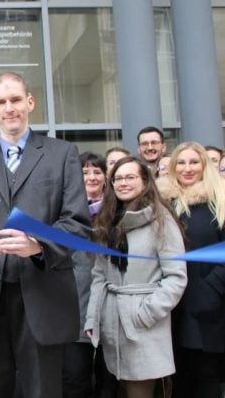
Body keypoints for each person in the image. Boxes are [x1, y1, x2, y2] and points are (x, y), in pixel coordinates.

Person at [0, 71, 91, 398]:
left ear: (30, 102)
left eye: (15, 100)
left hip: (43, 297)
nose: (9, 108)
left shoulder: (62, 155)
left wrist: (38, 246)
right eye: (1, 102)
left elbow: (77, 223)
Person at [84, 156, 187, 398]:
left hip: (143, 325)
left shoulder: (161, 220)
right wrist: (93, 317)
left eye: (130, 177)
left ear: (144, 181)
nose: (123, 183)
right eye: (118, 178)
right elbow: (99, 274)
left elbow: (176, 277)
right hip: (112, 322)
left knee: (140, 392)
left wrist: (144, 314)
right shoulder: (107, 221)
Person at [157, 142, 225, 397]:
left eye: (194, 162)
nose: (187, 169)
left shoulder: (220, 200)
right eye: (181, 163)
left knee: (207, 377)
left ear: (205, 166)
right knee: (178, 378)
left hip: (209, 305)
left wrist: (213, 287)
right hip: (171, 305)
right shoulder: (163, 203)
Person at [63, 152, 107, 398]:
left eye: (97, 172)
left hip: (110, 307)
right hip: (76, 308)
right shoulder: (65, 212)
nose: (91, 177)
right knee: (75, 378)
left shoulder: (117, 211)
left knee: (108, 380)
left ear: (105, 177)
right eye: (85, 172)